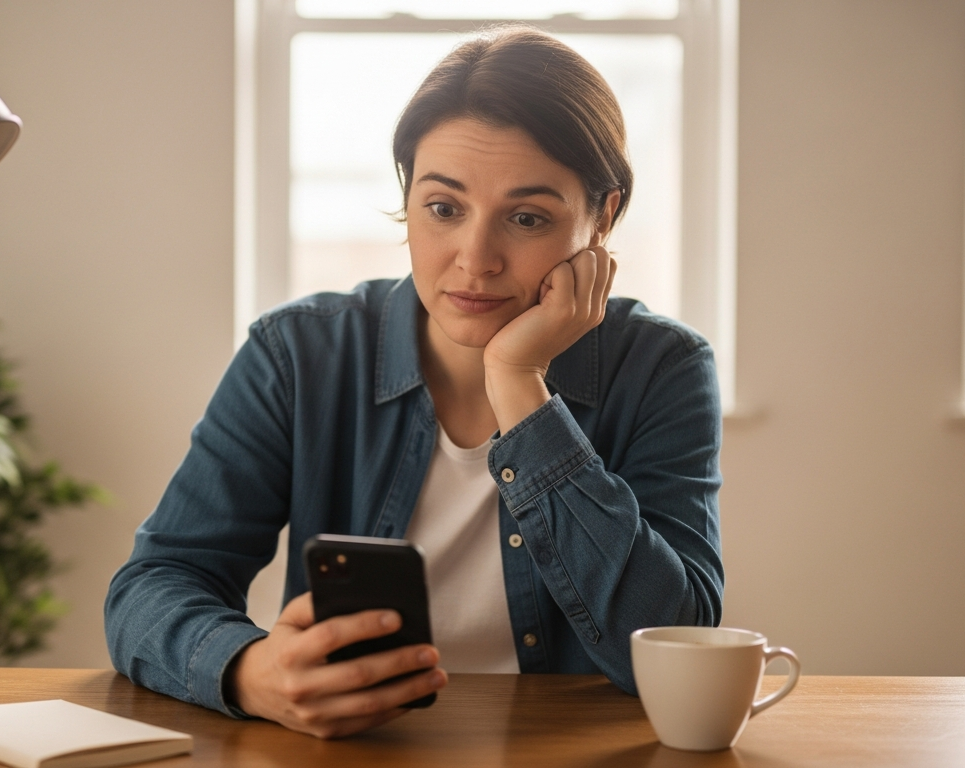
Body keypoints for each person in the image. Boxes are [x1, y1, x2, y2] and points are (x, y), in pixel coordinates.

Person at [105, 26, 723, 739]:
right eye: (443, 208)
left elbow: (672, 646)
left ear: (602, 216)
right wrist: (249, 670)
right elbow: (152, 586)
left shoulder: (662, 370)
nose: (475, 259)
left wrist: (519, 383)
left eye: (526, 218)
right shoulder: (298, 354)